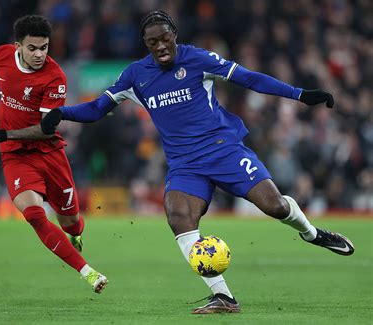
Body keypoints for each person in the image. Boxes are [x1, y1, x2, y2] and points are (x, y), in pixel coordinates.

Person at [40, 11, 356, 313]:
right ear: (146, 45)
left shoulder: (197, 59)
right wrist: (62, 112)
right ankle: (223, 296)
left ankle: (311, 233)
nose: (161, 46)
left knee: (275, 206)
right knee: (178, 216)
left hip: (224, 151)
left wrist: (300, 94)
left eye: (166, 39)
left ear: (174, 36)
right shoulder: (135, 76)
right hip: (185, 165)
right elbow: (97, 109)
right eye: (153, 42)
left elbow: (247, 78)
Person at [0, 15, 107, 293]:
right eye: (32, 48)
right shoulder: (1, 56)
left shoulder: (55, 77)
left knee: (72, 223)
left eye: (44, 47)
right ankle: (88, 272)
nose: (39, 54)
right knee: (34, 214)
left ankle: (74, 234)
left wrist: (2, 134)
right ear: (17, 45)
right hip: (16, 156)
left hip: (49, 152)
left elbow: (46, 130)